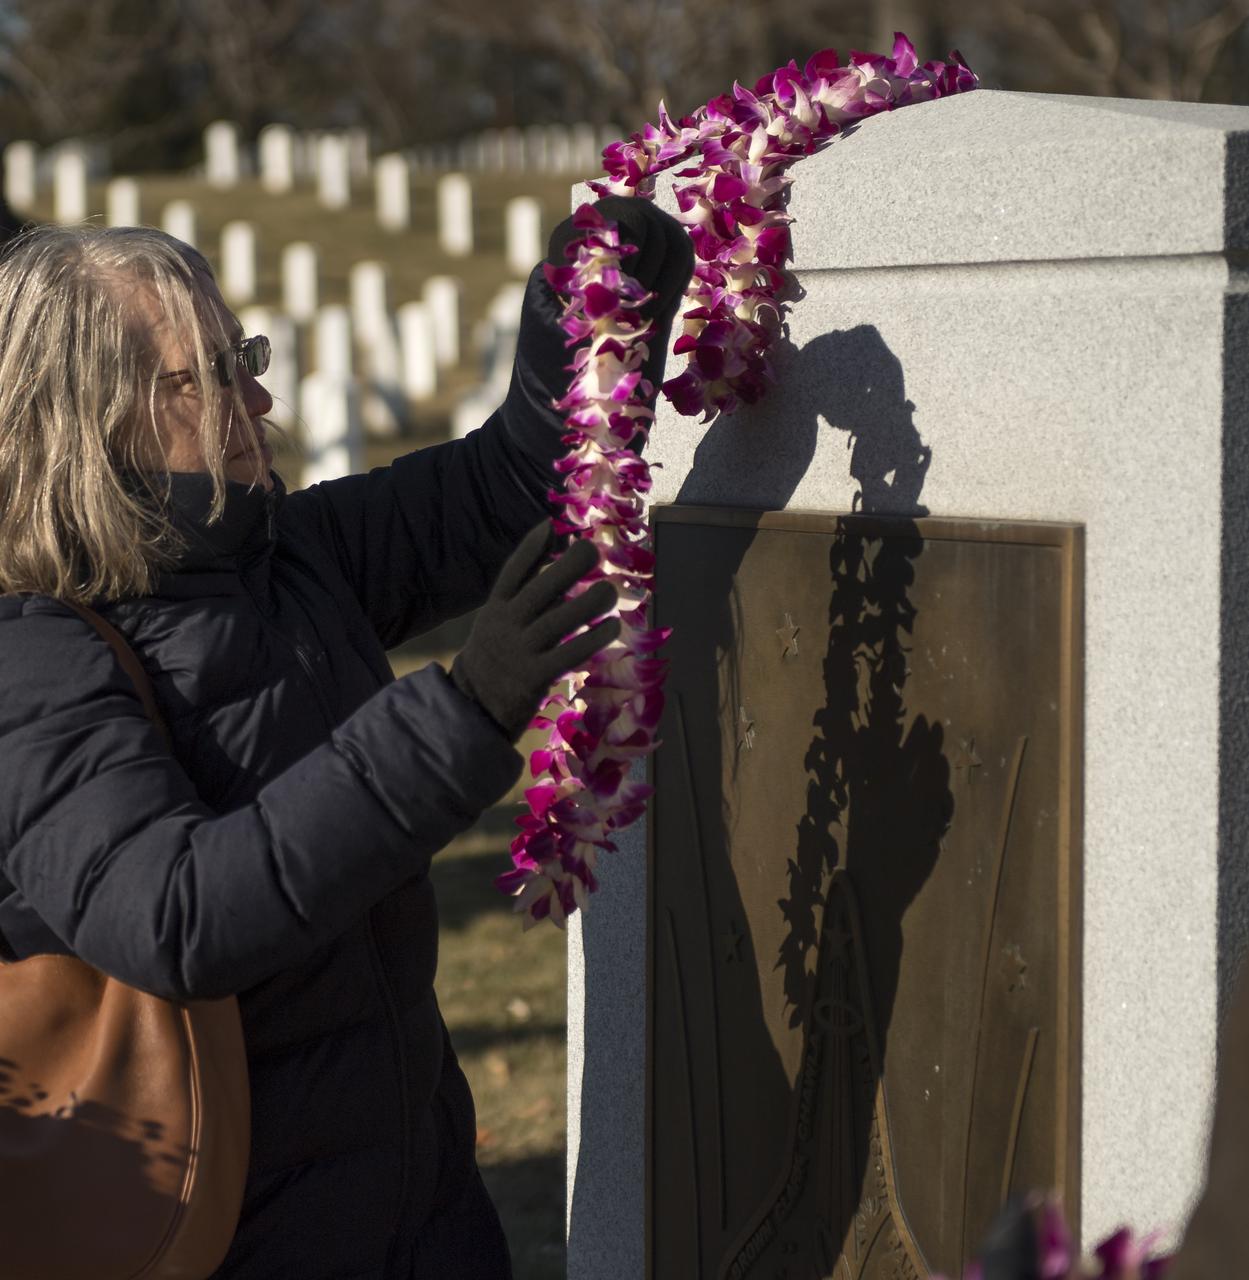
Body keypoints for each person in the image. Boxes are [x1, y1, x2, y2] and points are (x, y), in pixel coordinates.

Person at [0, 197, 692, 1278]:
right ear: (89, 418)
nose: (258, 395)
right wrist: (463, 710)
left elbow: (507, 485)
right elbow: (174, 916)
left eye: (245, 355)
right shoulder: (28, 654)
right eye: (207, 374)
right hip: (225, 1226)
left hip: (421, 1207)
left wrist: (583, 311)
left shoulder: (286, 550)